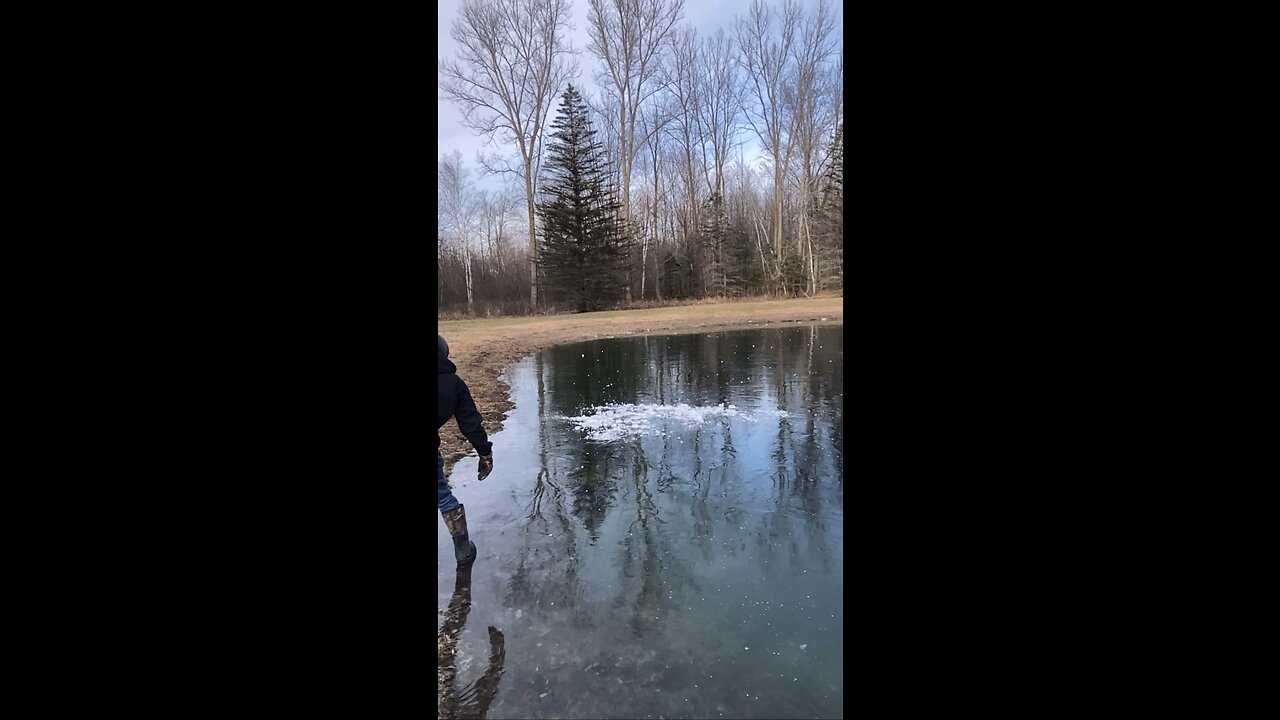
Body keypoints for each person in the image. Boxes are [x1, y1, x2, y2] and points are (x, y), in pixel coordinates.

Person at [438, 334, 493, 568]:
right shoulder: (453, 384)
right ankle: (463, 552)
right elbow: (470, 423)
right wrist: (485, 453)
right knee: (442, 495)